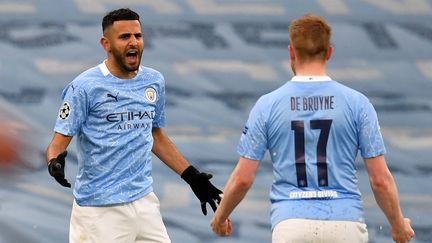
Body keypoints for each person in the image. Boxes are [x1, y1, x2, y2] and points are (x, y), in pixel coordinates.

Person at [211, 13, 415, 243]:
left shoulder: (268, 105)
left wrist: (220, 217)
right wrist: (398, 224)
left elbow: (242, 179)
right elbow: (380, 179)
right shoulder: (357, 103)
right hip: (345, 222)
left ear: (291, 51)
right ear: (329, 52)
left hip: (291, 223)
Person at [46, 8, 222, 243]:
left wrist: (192, 177)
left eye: (137, 36)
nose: (133, 42)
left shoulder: (153, 81)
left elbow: (155, 135)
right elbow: (57, 144)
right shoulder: (84, 87)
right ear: (106, 44)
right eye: (124, 37)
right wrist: (54, 162)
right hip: (100, 211)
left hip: (144, 203)